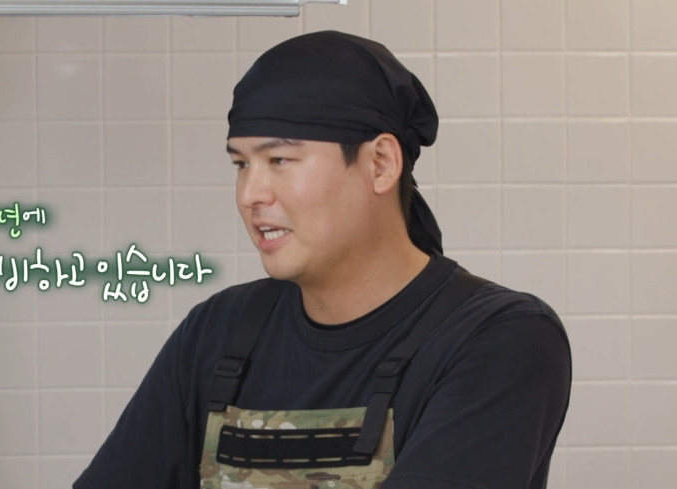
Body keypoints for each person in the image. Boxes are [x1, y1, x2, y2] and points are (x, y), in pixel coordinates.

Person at [75, 30, 571, 489]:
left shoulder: (500, 340)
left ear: (380, 164)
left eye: (279, 160)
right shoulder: (216, 332)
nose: (249, 194)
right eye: (241, 164)